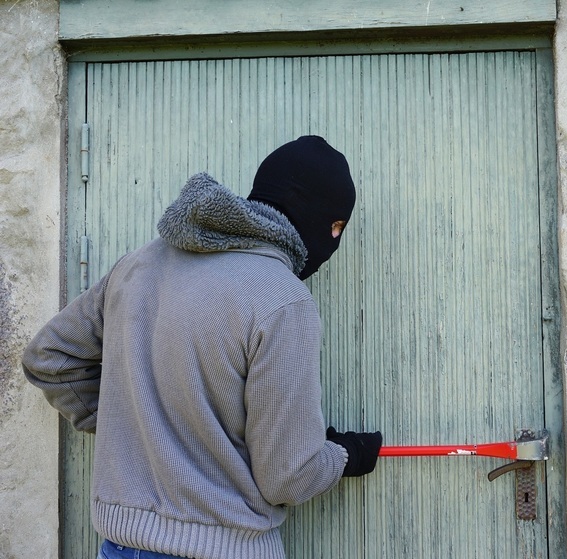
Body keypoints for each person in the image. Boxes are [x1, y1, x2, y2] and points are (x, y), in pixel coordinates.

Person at [22, 135, 383, 559]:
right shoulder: (282, 299)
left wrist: (140, 422)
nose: (333, 241)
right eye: (335, 226)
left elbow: (50, 358)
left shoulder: (138, 265)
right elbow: (288, 477)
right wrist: (346, 455)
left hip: (119, 547)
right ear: (315, 215)